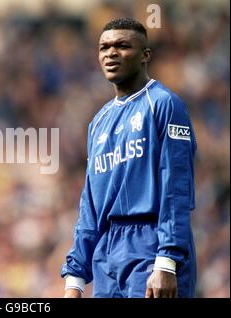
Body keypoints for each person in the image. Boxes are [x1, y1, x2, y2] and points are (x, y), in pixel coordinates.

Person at [61, 18, 197, 298]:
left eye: (122, 46)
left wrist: (166, 261)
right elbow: (90, 204)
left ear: (145, 55)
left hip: (150, 247)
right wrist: (74, 279)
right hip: (107, 258)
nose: (111, 53)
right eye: (104, 47)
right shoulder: (98, 122)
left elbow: (176, 186)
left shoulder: (164, 104)